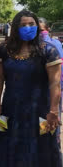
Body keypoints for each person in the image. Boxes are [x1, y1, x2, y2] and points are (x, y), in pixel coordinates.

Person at [0, 10, 62, 167]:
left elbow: (55, 83)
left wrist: (54, 112)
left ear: (37, 26)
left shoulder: (48, 50)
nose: (28, 27)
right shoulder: (5, 50)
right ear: (15, 28)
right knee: (4, 146)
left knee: (44, 148)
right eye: (23, 25)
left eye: (31, 24)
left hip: (42, 111)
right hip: (10, 109)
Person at [39, 17, 63, 147]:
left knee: (49, 126)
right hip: (37, 93)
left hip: (51, 92)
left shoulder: (53, 46)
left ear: (48, 30)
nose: (40, 34)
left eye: (41, 31)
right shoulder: (31, 47)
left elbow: (58, 73)